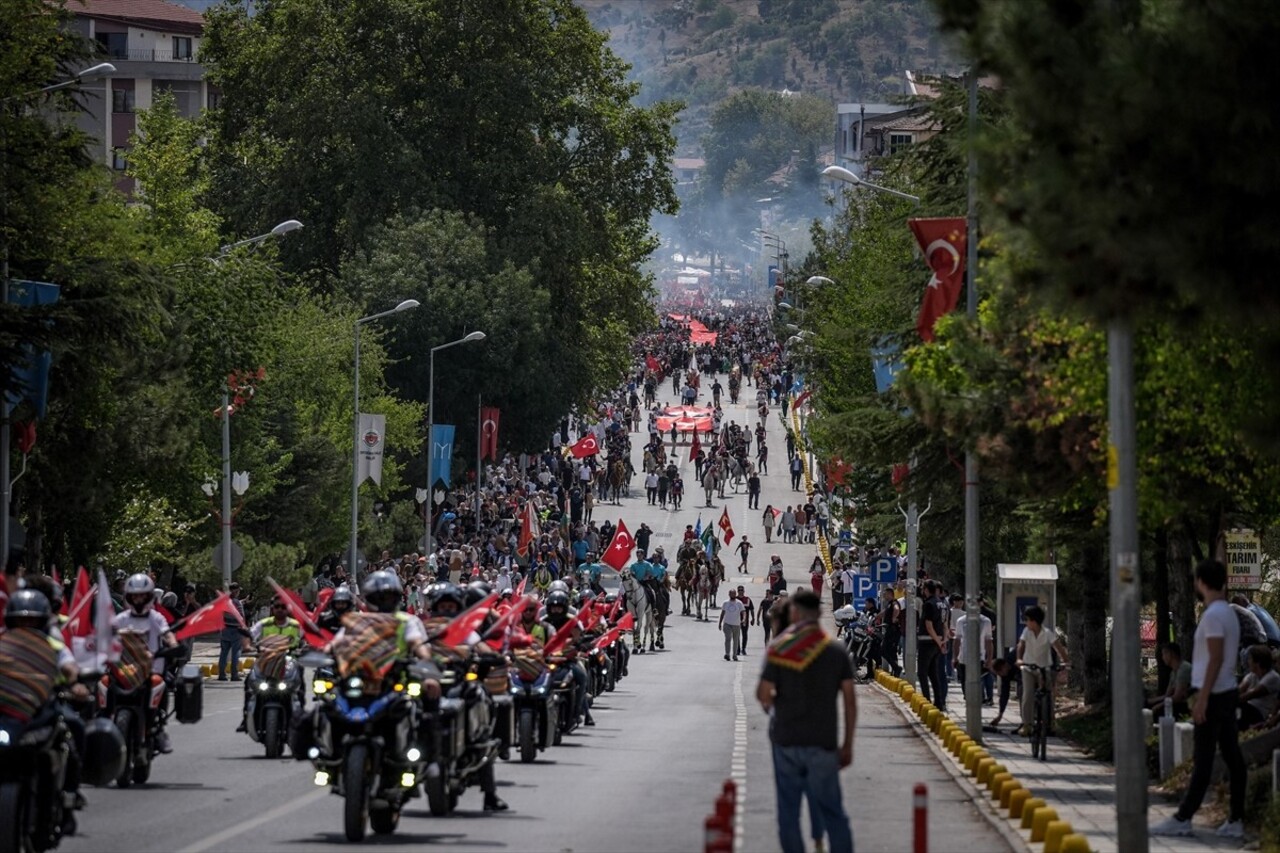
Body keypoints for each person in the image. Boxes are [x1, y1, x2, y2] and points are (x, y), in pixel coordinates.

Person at [1152, 560, 1246, 839]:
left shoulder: (1215, 615)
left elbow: (1215, 658)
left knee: (1204, 757)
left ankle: (1183, 817)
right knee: (1232, 757)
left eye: (1196, 580)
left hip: (1215, 694)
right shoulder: (1227, 612)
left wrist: (1202, 698)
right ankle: (1236, 818)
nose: (1194, 585)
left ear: (1203, 582)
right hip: (1226, 692)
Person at [757, 589, 855, 853]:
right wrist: (847, 745)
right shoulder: (836, 651)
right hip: (823, 742)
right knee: (834, 812)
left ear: (795, 613)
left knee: (788, 814)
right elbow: (849, 701)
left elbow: (763, 694)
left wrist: (781, 697)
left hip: (786, 740)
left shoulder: (779, 648)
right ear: (820, 614)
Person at [113, 573, 180, 753]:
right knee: (102, 683)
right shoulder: (121, 619)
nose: (138, 599)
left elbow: (167, 633)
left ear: (149, 596)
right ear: (128, 596)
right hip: (123, 670)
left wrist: (173, 644)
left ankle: (158, 728)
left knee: (163, 685)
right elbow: (106, 635)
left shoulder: (156, 618)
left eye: (142, 595)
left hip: (152, 670)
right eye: (135, 595)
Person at [1014, 604, 1069, 735]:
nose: (1026, 622)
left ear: (1034, 621)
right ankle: (1027, 724)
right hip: (1028, 667)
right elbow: (1021, 645)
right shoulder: (1026, 632)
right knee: (1027, 695)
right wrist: (1019, 659)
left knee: (1048, 694)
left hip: (1044, 668)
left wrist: (1066, 661)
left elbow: (1058, 647)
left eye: (1027, 619)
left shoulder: (1047, 633)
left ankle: (1051, 723)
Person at [916, 580, 946, 712]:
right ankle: (939, 702)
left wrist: (938, 642)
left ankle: (926, 701)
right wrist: (942, 641)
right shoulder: (943, 604)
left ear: (927, 589)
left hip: (927, 642)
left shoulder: (929, 604)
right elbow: (945, 624)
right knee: (933, 674)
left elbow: (929, 626)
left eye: (923, 588)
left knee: (922, 673)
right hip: (937, 642)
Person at [1146, 642, 1193, 719]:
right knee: (1147, 705)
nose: (1163, 657)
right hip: (1176, 702)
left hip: (1187, 704)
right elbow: (1167, 695)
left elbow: (1177, 697)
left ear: (1171, 654)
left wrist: (1158, 706)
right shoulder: (1173, 672)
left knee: (1160, 710)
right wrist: (1149, 701)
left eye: (1164, 654)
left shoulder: (1184, 669)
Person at [1237, 644, 1280, 729]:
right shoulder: (1252, 675)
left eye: (1250, 659)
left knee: (1239, 707)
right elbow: (1240, 689)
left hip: (1260, 713)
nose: (1248, 662)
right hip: (1250, 710)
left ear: (1258, 662)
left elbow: (1252, 694)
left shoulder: (1273, 677)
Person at [218, 581, 250, 681]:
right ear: (236, 591)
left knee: (223, 653)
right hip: (235, 631)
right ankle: (234, 675)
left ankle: (222, 675)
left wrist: (243, 601)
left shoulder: (224, 601)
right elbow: (241, 617)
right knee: (236, 653)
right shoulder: (236, 603)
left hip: (225, 630)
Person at [719, 589, 744, 661]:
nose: (732, 595)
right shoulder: (725, 603)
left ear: (735, 594)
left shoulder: (739, 603)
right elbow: (722, 613)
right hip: (727, 623)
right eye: (731, 594)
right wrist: (720, 623)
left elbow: (743, 611)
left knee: (736, 640)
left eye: (734, 594)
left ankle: (734, 655)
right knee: (728, 638)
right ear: (729, 594)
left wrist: (744, 619)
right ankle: (727, 654)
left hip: (736, 624)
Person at [737, 585, 756, 653]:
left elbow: (752, 609)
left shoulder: (747, 599)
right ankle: (737, 649)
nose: (740, 592)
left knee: (744, 634)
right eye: (739, 590)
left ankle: (743, 648)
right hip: (736, 620)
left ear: (744, 591)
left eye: (742, 590)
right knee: (736, 635)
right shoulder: (735, 599)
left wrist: (753, 618)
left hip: (745, 620)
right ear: (737, 591)